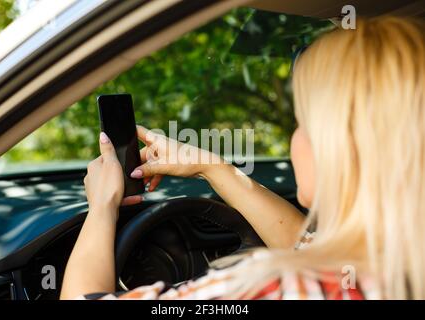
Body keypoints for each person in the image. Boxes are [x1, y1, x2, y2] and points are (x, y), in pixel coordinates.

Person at [60, 16, 425, 300]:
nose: (295, 136)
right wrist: (210, 167)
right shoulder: (394, 268)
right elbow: (310, 250)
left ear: (344, 146)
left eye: (303, 121)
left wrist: (102, 208)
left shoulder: (272, 286)